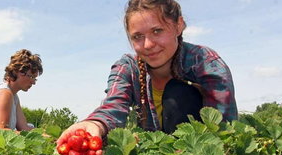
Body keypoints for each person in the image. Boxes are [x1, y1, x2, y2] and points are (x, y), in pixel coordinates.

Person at [57, 0, 237, 145]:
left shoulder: (206, 63)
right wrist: (95, 123)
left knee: (177, 93)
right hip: (152, 154)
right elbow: (114, 105)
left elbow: (224, 129)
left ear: (178, 25)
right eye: (137, 37)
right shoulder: (127, 67)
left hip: (198, 151)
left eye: (157, 31)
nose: (148, 45)